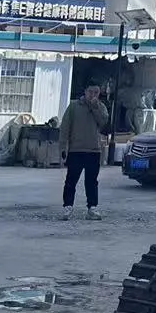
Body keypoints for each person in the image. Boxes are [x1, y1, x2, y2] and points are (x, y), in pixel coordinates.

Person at [58, 83, 109, 220]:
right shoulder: (74, 107)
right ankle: (67, 206)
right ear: (85, 91)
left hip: (94, 150)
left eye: (96, 92)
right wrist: (63, 148)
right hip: (76, 150)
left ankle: (92, 208)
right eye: (90, 91)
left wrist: (95, 107)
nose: (93, 95)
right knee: (71, 180)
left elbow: (103, 122)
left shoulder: (100, 107)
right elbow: (65, 128)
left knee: (91, 181)